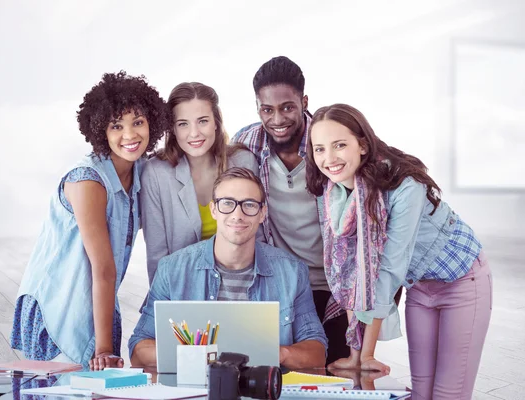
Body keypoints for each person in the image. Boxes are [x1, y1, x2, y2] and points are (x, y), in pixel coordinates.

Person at [306, 103, 491, 399]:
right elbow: (349, 274)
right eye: (319, 149)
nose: (329, 159)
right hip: (420, 286)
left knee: (446, 393)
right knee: (421, 392)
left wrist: (366, 356)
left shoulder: (404, 185)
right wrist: (356, 357)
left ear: (362, 145)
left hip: (461, 279)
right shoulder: (335, 193)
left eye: (339, 145)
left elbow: (390, 268)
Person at [10, 71, 168, 371]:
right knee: (61, 387)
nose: (130, 135)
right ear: (100, 131)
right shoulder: (88, 181)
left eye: (138, 122)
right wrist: (105, 348)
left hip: (97, 301)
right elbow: (104, 268)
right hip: (58, 303)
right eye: (116, 126)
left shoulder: (141, 173)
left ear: (152, 123)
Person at [129, 167, 327, 370]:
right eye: (227, 204)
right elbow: (138, 349)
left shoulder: (292, 273)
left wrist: (277, 352)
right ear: (214, 210)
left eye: (249, 205)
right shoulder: (172, 270)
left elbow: (317, 353)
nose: (237, 215)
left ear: (262, 213)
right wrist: (194, 355)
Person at [231, 56, 349, 365]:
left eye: (287, 107)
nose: (277, 119)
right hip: (282, 283)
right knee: (276, 371)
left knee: (334, 370)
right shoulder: (246, 143)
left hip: (334, 282)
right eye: (267, 110)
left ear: (304, 101)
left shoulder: (326, 143)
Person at [141, 82, 260, 286]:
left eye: (202, 121)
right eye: (183, 124)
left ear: (216, 121)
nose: (194, 133)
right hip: (183, 285)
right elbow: (157, 255)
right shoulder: (156, 173)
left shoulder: (244, 161)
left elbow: (259, 236)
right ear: (173, 129)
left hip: (241, 283)